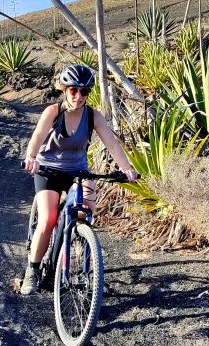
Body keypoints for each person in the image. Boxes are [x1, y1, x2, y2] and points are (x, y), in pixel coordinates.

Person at [21, 64, 138, 295]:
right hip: (49, 171)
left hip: (78, 171)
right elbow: (37, 137)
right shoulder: (53, 113)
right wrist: (31, 156)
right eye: (73, 90)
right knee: (47, 219)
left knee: (87, 210)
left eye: (84, 91)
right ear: (64, 90)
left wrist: (127, 169)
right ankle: (32, 271)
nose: (79, 96)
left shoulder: (93, 116)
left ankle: (79, 251)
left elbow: (112, 144)